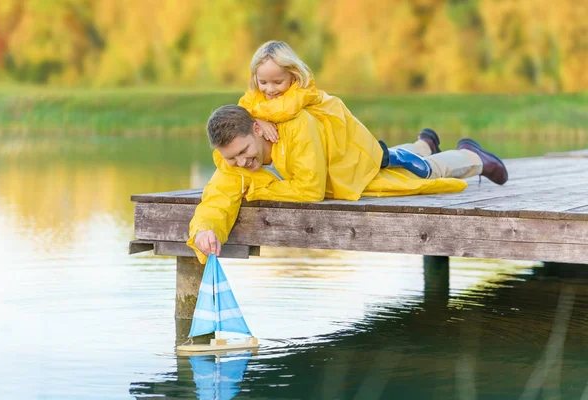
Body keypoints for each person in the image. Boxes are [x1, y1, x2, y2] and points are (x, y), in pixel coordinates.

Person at [187, 104, 508, 263]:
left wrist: (258, 189)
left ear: (257, 129)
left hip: (352, 169)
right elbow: (216, 199)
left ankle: (472, 157)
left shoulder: (296, 130)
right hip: (358, 164)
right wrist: (206, 229)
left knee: (417, 178)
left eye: (244, 151)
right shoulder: (234, 165)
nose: (241, 163)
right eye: (232, 159)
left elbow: (309, 189)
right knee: (400, 161)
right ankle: (423, 145)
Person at [237, 40, 446, 182]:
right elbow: (238, 111)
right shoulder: (256, 101)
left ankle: (404, 155)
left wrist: (256, 116)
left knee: (377, 159)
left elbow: (284, 110)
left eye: (277, 82)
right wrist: (255, 119)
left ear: (293, 75)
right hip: (324, 153)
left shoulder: (300, 94)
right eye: (262, 81)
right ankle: (424, 145)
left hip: (345, 142)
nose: (269, 89)